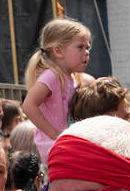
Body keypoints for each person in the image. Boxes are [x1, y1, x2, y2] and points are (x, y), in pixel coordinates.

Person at [21, 18, 92, 162]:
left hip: (67, 144)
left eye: (88, 48)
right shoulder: (52, 76)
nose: (86, 52)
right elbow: (28, 105)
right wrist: (54, 134)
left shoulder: (73, 78)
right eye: (80, 47)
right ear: (58, 51)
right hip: (53, 147)